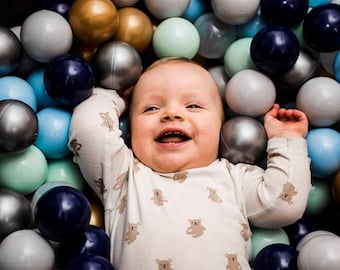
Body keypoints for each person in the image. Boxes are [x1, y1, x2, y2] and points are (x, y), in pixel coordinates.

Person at [68, 57, 311, 270]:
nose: (171, 114)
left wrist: (285, 138)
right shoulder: (124, 176)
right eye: (151, 108)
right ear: (130, 131)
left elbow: (284, 203)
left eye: (193, 105)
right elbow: (89, 129)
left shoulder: (234, 178)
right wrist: (116, 96)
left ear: (221, 127)